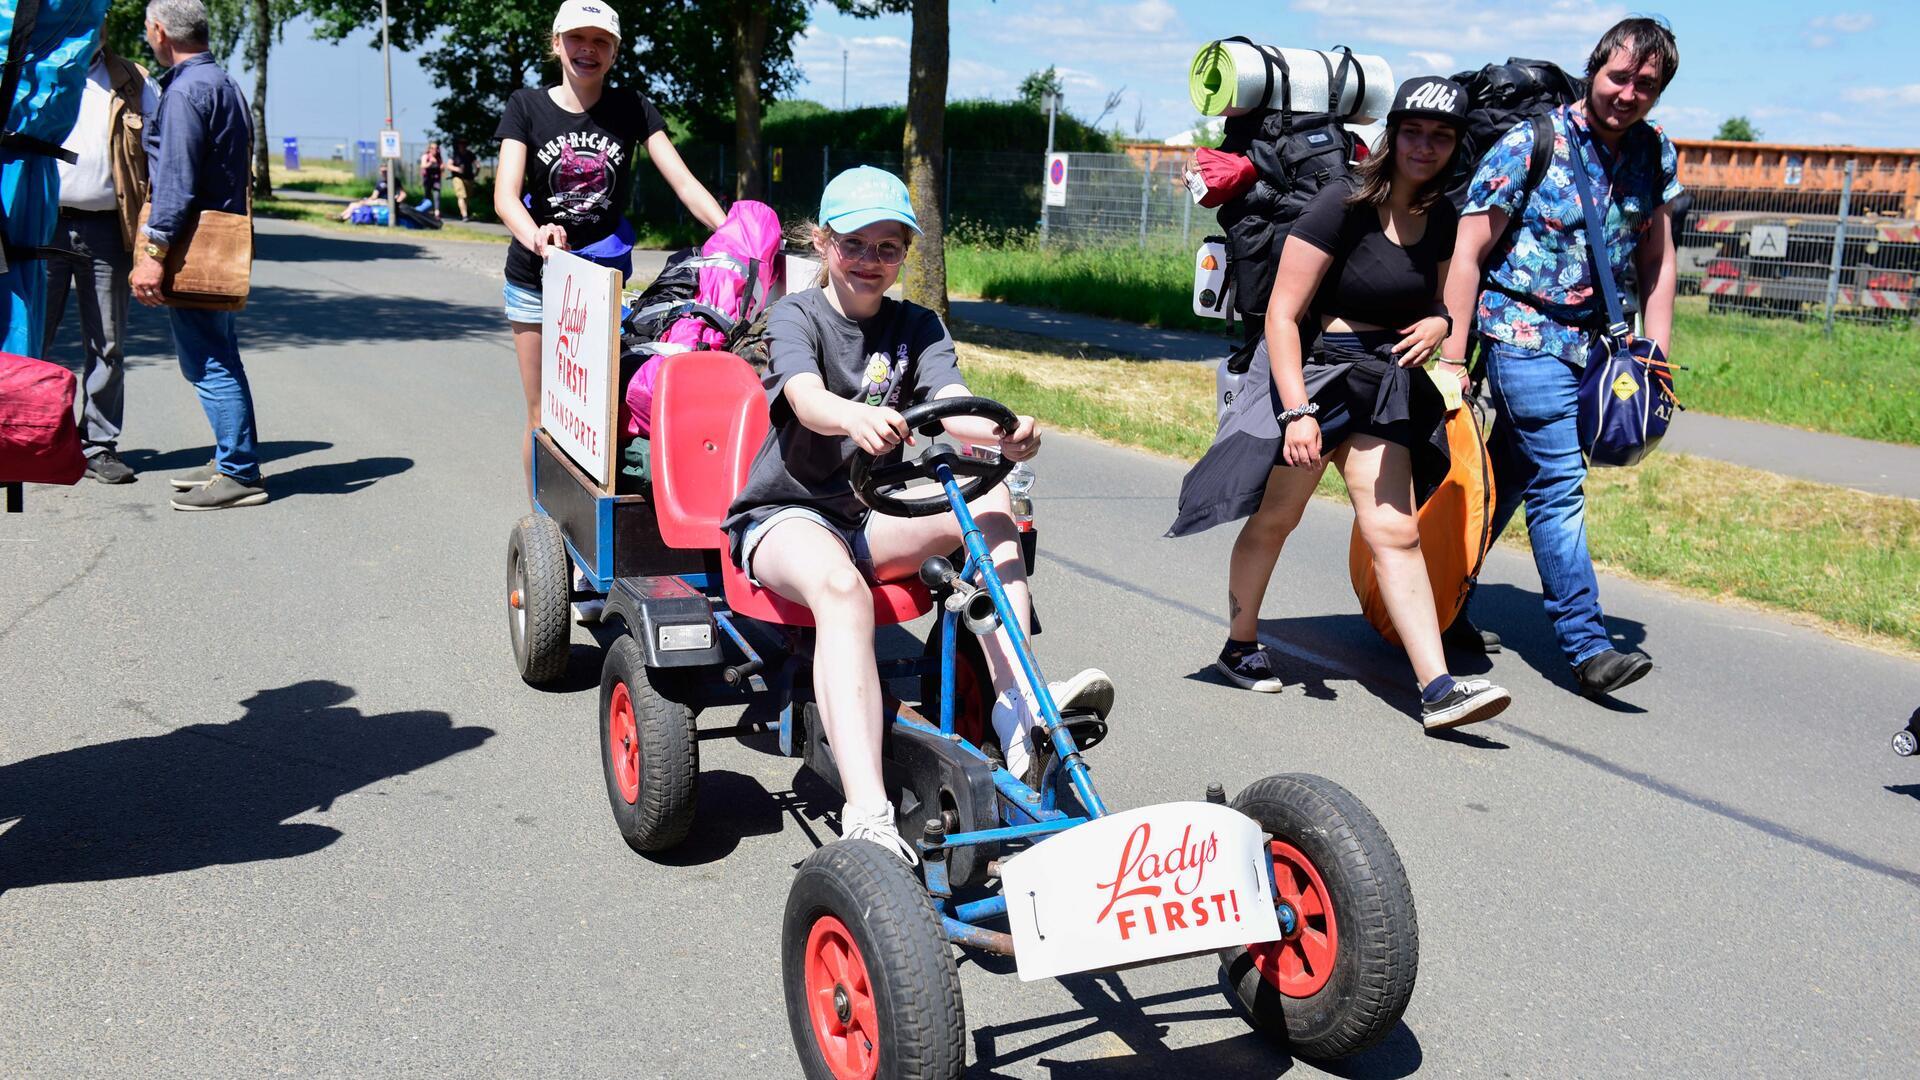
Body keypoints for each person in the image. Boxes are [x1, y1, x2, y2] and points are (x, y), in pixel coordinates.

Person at [720, 167, 1113, 861]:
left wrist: (1006, 434)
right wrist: (854, 416)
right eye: (854, 246)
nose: (871, 263)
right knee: (843, 593)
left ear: (905, 253)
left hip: (871, 510)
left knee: (993, 495)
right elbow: (806, 397)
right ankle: (867, 810)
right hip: (788, 514)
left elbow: (955, 401)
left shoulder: (919, 323)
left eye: (888, 248)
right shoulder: (797, 315)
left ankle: (1018, 709)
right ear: (823, 243)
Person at [1169, 77, 1511, 734]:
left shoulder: (1442, 216)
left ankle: (1438, 688)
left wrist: (1442, 328)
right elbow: (1282, 315)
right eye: (1414, 131)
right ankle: (1239, 647)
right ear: (1394, 135)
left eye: (1442, 136)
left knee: (1395, 532)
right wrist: (1296, 412)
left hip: (1384, 384)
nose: (1426, 146)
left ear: (1455, 145)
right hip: (1318, 377)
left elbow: (1442, 303)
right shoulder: (1343, 201)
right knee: (1277, 519)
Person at [1440, 17, 1681, 698]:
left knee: (1505, 479)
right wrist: (1454, 360)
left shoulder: (1654, 151)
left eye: (1646, 85)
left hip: (1596, 346)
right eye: (1619, 76)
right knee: (1557, 482)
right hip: (1522, 332)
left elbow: (1657, 260)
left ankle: (1437, 598)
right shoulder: (1530, 143)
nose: (1628, 93)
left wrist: (1655, 353)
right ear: (1594, 68)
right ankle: (1586, 643)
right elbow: (1468, 252)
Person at [495, 0, 727, 501]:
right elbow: (505, 196)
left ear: (615, 52)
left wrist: (732, 234)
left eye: (601, 41)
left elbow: (683, 183)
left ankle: (588, 518)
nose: (588, 50)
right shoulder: (526, 106)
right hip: (536, 281)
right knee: (543, 415)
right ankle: (545, 520)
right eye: (577, 38)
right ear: (556, 44)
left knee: (596, 410)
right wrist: (537, 234)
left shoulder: (632, 108)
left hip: (601, 286)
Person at [132, 0, 264, 511]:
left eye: (148, 30)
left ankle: (239, 472)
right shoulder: (223, 82)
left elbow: (177, 180)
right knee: (218, 352)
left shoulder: (185, 90)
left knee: (208, 359)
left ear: (161, 31)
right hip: (218, 238)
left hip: (192, 245)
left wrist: (153, 251)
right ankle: (230, 456)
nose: (148, 37)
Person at [41, 34, 157, 486]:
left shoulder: (133, 79)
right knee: (28, 338)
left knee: (107, 343)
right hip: (39, 225)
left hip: (108, 228)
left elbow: (158, 158)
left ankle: (99, 445)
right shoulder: (35, 70)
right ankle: (21, 437)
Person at [447, 137, 478, 221]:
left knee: (467, 197)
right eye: (461, 144)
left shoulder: (470, 154)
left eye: (464, 144)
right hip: (458, 178)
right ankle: (464, 215)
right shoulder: (454, 155)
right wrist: (457, 169)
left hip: (469, 178)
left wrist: (476, 174)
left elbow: (477, 166)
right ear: (458, 145)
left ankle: (465, 213)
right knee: (461, 196)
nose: (463, 145)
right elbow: (448, 165)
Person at [418, 140, 443, 219]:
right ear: (429, 149)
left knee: (437, 195)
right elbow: (423, 166)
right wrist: (430, 163)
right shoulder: (426, 156)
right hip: (428, 179)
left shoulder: (439, 157)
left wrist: (442, 167)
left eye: (436, 148)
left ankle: (437, 212)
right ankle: (425, 210)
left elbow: (442, 167)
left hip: (436, 179)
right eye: (432, 148)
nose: (434, 150)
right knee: (427, 195)